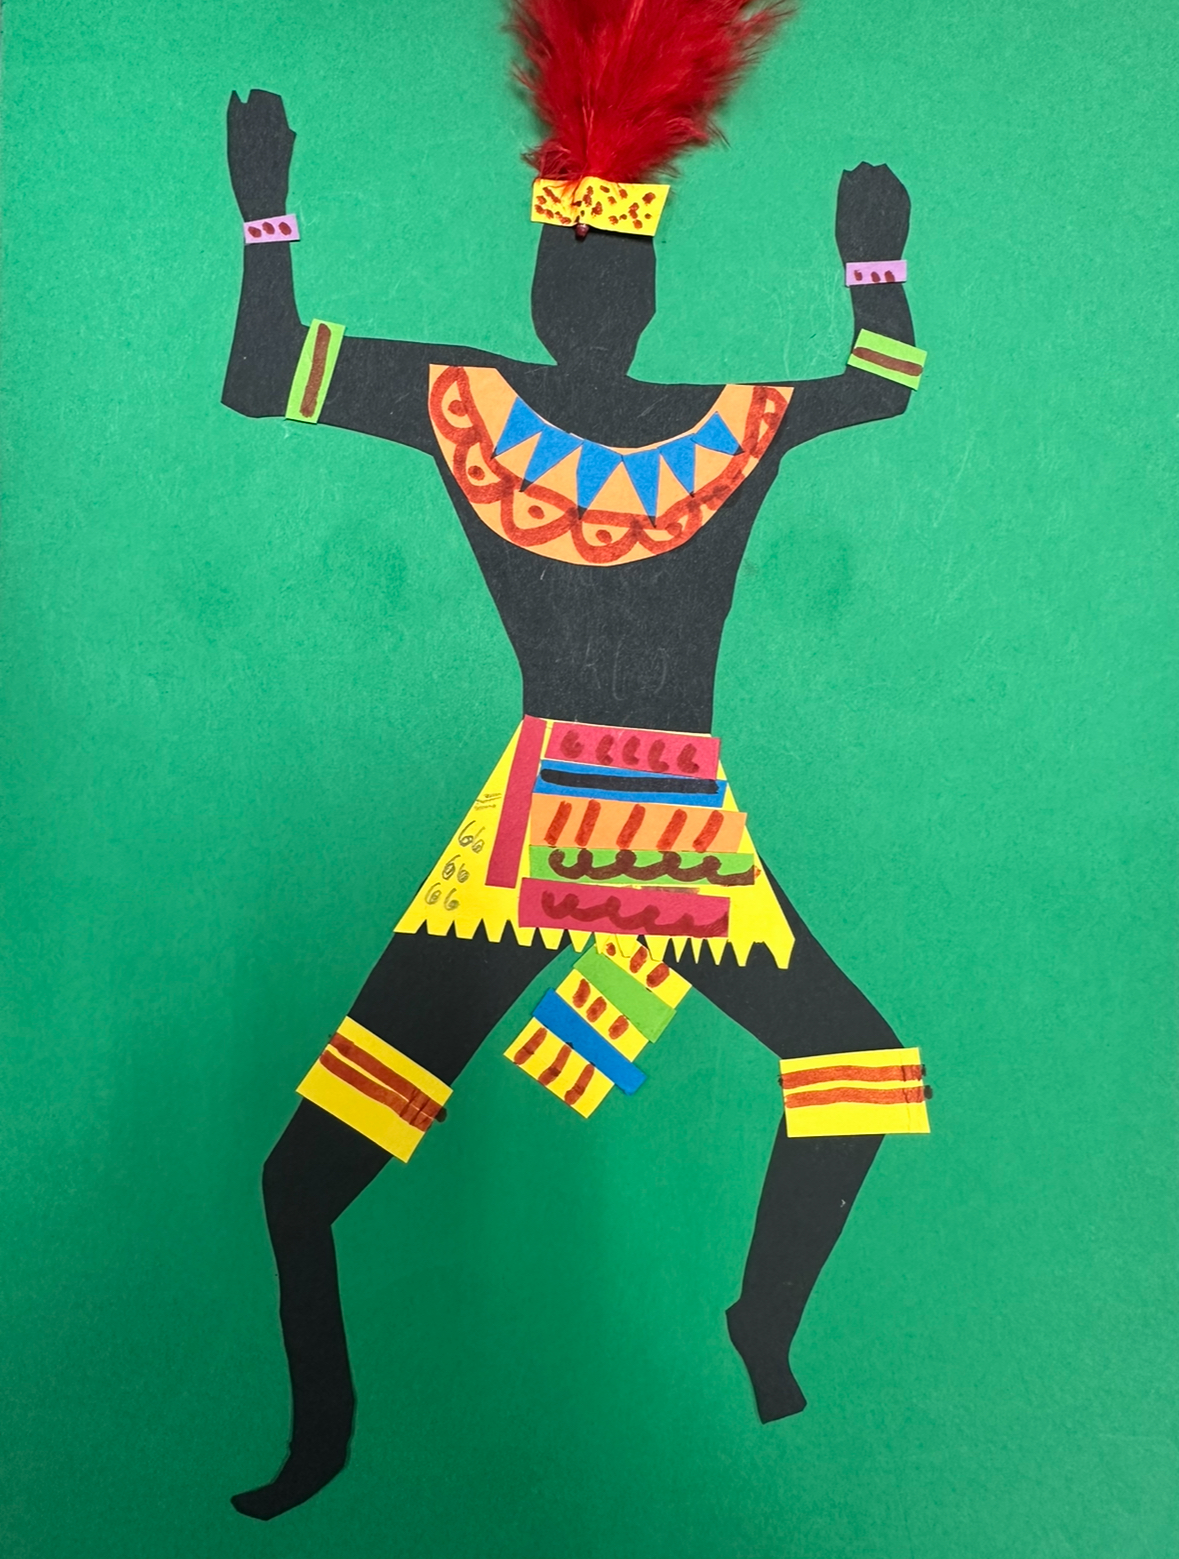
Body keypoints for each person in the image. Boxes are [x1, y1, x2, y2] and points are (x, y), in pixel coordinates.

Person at [221, 36, 922, 1520]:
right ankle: (760, 1323)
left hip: (545, 845)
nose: (593, 301)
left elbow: (263, 371)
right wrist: (873, 266)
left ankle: (330, 1427)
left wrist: (267, 215)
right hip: (674, 853)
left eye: (589, 279)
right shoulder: (737, 420)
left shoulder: (470, 402)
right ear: (631, 291)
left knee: (301, 1183)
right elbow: (883, 383)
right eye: (597, 279)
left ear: (553, 287)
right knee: (855, 1072)